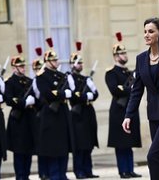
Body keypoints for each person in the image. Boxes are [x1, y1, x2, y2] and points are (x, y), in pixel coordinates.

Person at [122, 18, 159, 180]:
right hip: (153, 115)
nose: (146, 35)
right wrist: (128, 115)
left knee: (153, 156)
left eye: (151, 31)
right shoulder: (141, 59)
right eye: (145, 31)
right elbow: (136, 90)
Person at [35, 38, 73, 180]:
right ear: (48, 61)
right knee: (52, 147)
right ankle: (54, 174)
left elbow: (69, 90)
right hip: (50, 114)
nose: (57, 62)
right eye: (54, 60)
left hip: (62, 113)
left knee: (63, 145)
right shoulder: (42, 76)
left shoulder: (62, 75)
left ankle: (62, 173)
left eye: (57, 59)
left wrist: (65, 93)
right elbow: (47, 94)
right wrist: (63, 94)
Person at [105, 32, 142, 179]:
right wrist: (130, 89)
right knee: (121, 143)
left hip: (130, 109)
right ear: (115, 56)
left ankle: (130, 169)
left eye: (125, 52)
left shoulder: (129, 72)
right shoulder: (111, 73)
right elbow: (115, 89)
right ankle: (123, 170)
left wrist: (129, 89)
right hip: (119, 110)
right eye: (121, 53)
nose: (124, 55)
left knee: (130, 142)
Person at [5, 44, 35, 180]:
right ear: (14, 68)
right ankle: (20, 176)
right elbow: (9, 100)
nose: (23, 68)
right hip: (18, 120)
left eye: (24, 66)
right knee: (19, 151)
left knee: (28, 150)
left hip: (29, 119)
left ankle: (26, 175)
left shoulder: (30, 81)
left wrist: (33, 101)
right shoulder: (10, 82)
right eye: (20, 66)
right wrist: (24, 102)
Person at [69, 44, 99, 179]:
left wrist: (89, 95)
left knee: (88, 143)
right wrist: (85, 96)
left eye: (81, 62)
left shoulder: (86, 78)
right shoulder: (69, 78)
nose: (80, 65)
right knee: (80, 145)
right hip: (77, 114)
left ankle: (88, 170)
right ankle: (79, 171)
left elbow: (96, 93)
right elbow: (74, 96)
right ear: (72, 64)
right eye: (77, 63)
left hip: (88, 112)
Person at [31, 47, 49, 180]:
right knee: (41, 146)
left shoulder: (41, 80)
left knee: (47, 145)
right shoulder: (34, 81)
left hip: (45, 115)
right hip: (37, 116)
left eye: (40, 69)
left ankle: (47, 171)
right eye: (37, 69)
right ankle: (42, 172)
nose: (39, 71)